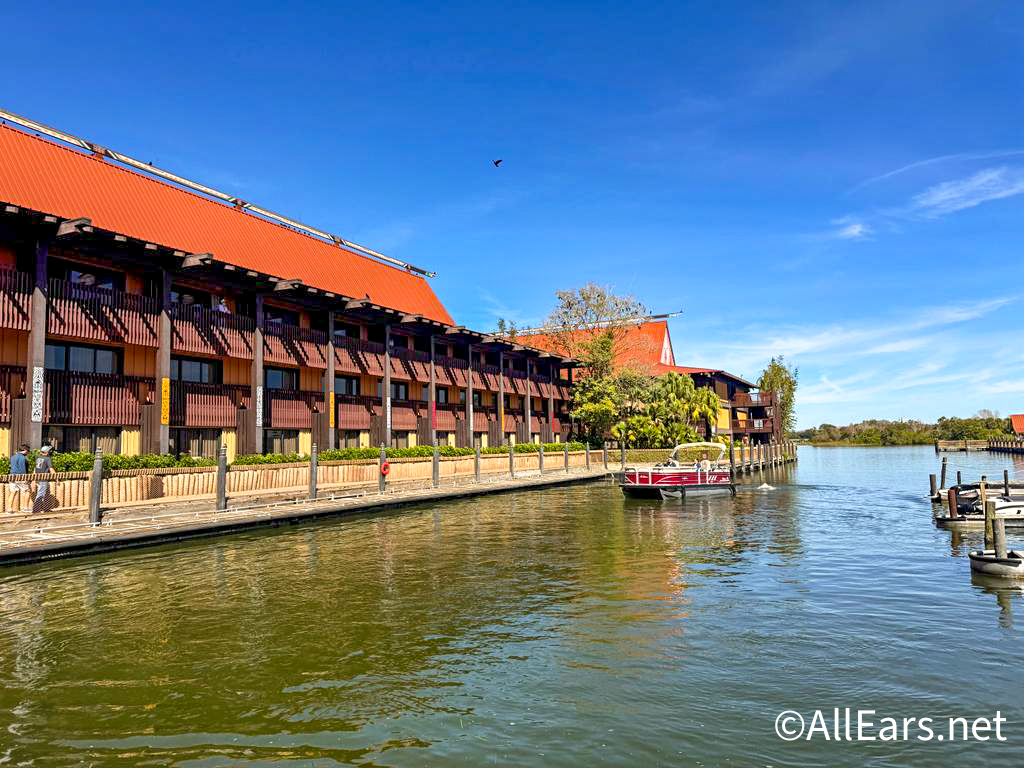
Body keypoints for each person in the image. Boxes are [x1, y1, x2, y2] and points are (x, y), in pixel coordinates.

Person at [32, 444, 56, 515]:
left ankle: (46, 508)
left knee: (45, 493)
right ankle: (36, 510)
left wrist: (34, 479)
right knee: (41, 493)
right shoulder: (47, 458)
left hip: (38, 477)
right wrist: (56, 478)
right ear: (47, 452)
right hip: (43, 478)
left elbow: (35, 469)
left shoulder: (38, 458)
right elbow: (51, 469)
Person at [8, 444, 31, 513]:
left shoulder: (12, 457)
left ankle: (9, 509)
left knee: (12, 492)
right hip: (20, 477)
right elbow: (22, 469)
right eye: (28, 451)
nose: (28, 453)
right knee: (28, 491)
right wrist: (26, 479)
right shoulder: (23, 458)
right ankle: (25, 508)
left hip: (12, 476)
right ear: (25, 450)